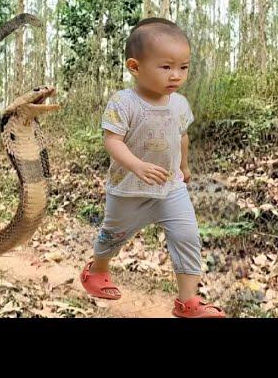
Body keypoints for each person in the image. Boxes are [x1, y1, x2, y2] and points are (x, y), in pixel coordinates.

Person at [79, 17, 226, 318]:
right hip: (128, 189)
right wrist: (136, 165)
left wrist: (183, 166)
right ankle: (97, 270)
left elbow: (181, 136)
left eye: (183, 67)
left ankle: (188, 301)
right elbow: (112, 140)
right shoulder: (124, 102)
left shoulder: (180, 104)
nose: (176, 75)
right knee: (112, 236)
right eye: (166, 67)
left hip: (170, 187)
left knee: (187, 235)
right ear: (135, 67)